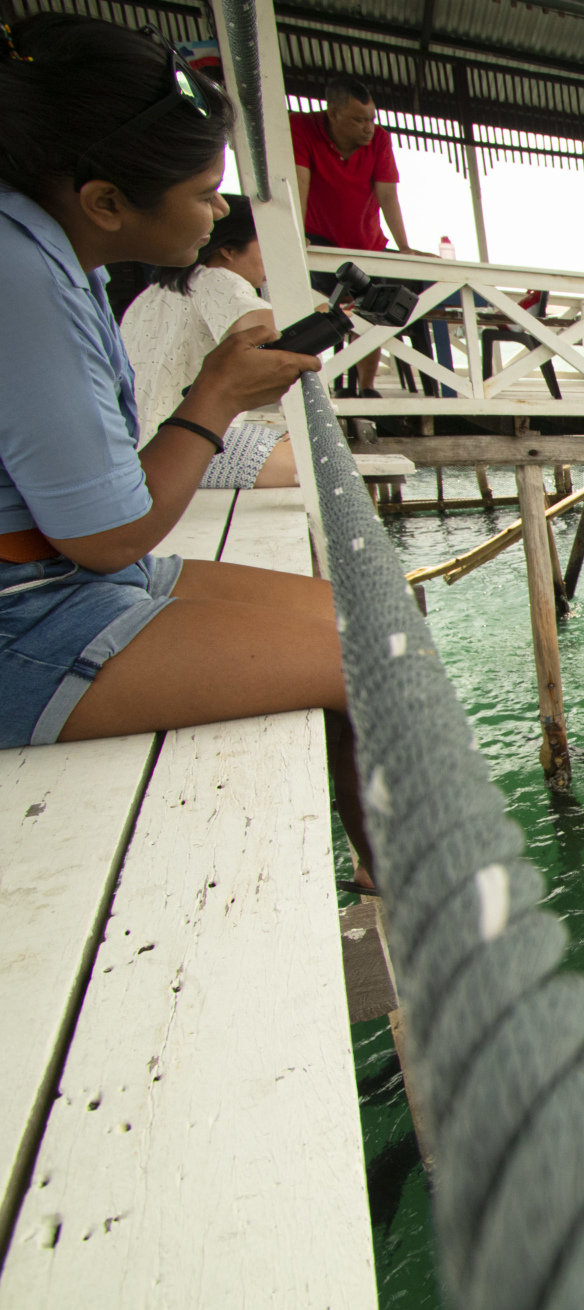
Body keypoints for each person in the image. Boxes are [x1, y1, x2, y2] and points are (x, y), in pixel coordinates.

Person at [0, 14, 371, 878]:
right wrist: (215, 396)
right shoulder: (20, 276)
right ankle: (419, 917)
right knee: (372, 667)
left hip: (68, 578)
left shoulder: (60, 258)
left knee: (377, 630)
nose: (216, 210)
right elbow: (109, 535)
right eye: (206, 192)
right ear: (104, 200)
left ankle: (383, 880)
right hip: (33, 612)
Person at [121, 192, 296, 489]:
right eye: (266, 245)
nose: (273, 258)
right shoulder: (219, 278)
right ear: (228, 250)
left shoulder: (149, 294)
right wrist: (327, 317)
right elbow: (276, 336)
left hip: (143, 449)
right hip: (190, 449)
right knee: (319, 463)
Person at [290, 75, 415, 394]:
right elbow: (297, 182)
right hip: (320, 241)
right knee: (327, 306)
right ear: (333, 114)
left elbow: (388, 195)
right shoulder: (301, 128)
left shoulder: (380, 140)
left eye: (371, 118)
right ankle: (317, 384)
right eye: (360, 120)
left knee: (370, 309)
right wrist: (296, 232)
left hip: (368, 244)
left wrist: (404, 247)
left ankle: (366, 388)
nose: (368, 127)